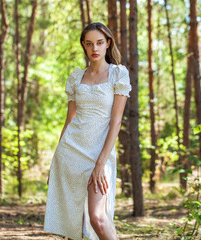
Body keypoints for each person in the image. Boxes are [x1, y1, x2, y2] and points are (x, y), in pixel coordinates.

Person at [44, 22, 131, 240]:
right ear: (83, 45)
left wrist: (101, 162)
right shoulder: (76, 77)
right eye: (90, 43)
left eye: (100, 43)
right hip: (71, 151)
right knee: (75, 221)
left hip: (99, 154)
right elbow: (69, 119)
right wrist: (56, 158)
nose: (95, 48)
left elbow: (116, 121)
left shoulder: (118, 74)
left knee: (97, 218)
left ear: (107, 44)